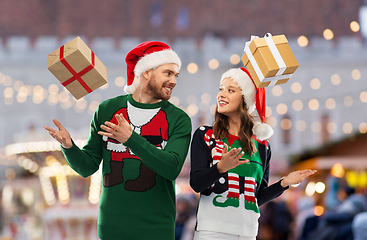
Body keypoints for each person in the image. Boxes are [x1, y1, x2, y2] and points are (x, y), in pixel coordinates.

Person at [44, 41, 192, 240]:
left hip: (156, 230)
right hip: (111, 228)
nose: (174, 80)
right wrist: (68, 146)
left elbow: (172, 168)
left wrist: (130, 138)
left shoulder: (179, 119)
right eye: (168, 73)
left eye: (176, 75)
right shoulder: (106, 110)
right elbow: (88, 167)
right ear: (146, 72)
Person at [189, 67, 316, 240]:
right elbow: (196, 184)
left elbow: (257, 198)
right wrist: (220, 168)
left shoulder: (262, 146)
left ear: (245, 100)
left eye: (230, 90)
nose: (221, 95)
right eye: (221, 89)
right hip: (212, 230)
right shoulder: (205, 135)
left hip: (248, 231)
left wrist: (285, 183)